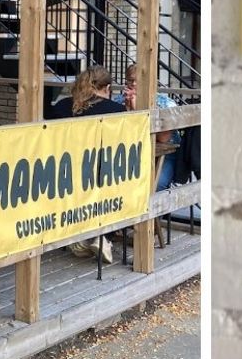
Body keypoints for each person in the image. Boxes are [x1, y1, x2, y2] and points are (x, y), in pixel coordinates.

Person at [50, 65, 125, 263]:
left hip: (65, 172)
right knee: (124, 182)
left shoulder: (61, 106)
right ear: (107, 88)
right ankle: (104, 237)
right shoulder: (116, 110)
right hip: (101, 172)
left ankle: (81, 234)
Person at [117, 63, 179, 191]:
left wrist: (136, 110)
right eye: (130, 80)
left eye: (139, 80)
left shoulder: (165, 103)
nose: (134, 84)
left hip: (163, 153)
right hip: (128, 152)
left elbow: (163, 139)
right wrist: (127, 108)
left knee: (158, 183)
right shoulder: (118, 101)